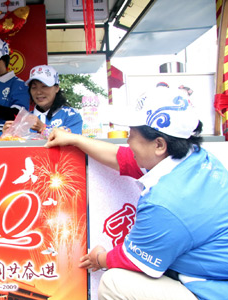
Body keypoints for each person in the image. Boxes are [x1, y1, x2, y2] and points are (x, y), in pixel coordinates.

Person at [45, 86, 228, 300]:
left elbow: (132, 260)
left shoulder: (166, 203)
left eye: (132, 134)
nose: (128, 141)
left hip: (212, 290)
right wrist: (75, 139)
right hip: (212, 274)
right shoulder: (194, 157)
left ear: (159, 144)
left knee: (115, 283)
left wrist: (99, 259)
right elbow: (123, 158)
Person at [3, 65, 83, 136]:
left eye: (44, 86)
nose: (38, 92)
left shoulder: (71, 115)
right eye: (34, 87)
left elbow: (74, 143)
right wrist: (7, 135)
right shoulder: (24, 119)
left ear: (57, 88)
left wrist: (43, 129)